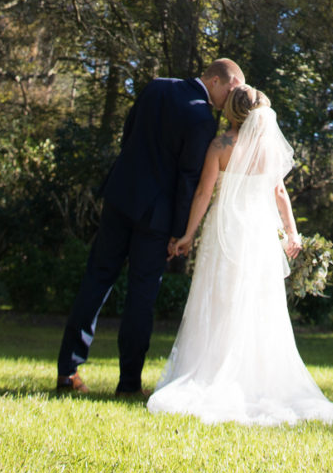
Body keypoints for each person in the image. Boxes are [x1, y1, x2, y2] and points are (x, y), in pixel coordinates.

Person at [146, 85, 333, 427]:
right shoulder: (269, 148)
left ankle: (212, 371)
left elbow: (203, 192)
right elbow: (279, 191)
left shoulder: (220, 146)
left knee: (219, 300)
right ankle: (255, 378)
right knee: (259, 303)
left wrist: (187, 234)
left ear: (230, 111)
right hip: (258, 233)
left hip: (226, 230)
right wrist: (292, 232)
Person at [55, 58, 244, 398]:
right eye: (229, 90)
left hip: (119, 198)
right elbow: (188, 178)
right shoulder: (202, 118)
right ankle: (128, 384)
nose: (229, 99)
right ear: (215, 80)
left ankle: (68, 371)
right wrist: (180, 231)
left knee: (95, 280)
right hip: (155, 218)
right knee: (141, 297)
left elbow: (128, 135)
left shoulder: (157, 86)